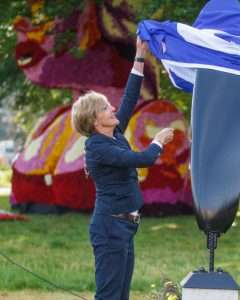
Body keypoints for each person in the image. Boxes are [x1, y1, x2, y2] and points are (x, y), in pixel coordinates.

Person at [71, 37, 174, 300]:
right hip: (110, 228)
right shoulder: (97, 147)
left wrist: (140, 56)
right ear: (94, 120)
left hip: (125, 226)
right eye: (106, 107)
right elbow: (142, 159)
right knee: (109, 295)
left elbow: (129, 98)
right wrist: (158, 142)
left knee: (121, 295)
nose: (113, 108)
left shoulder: (113, 134)